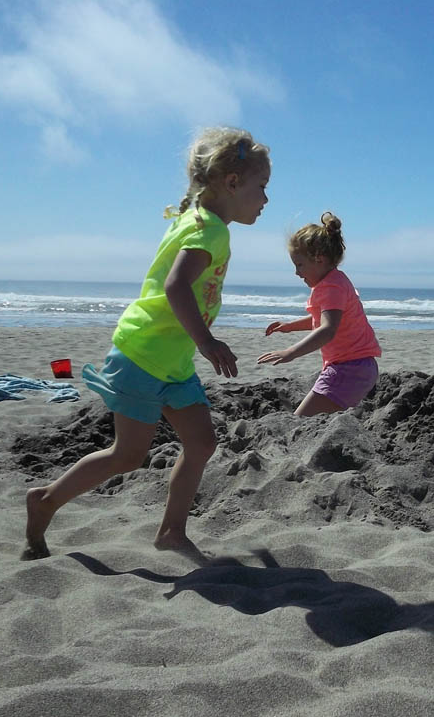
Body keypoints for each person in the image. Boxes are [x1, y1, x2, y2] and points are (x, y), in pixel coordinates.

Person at [22, 127, 270, 561]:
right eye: (262, 187)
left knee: (201, 444)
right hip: (142, 357)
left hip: (172, 362)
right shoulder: (210, 230)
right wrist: (207, 341)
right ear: (232, 182)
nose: (266, 199)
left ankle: (172, 532)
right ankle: (45, 500)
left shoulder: (197, 220)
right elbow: (176, 287)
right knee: (127, 456)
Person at [258, 212, 381, 416]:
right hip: (359, 367)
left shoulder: (331, 287)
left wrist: (291, 352)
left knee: (300, 420)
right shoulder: (336, 280)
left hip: (348, 369)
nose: (297, 273)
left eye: (299, 265)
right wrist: (289, 326)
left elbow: (328, 329)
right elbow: (325, 319)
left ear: (319, 260)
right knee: (319, 417)